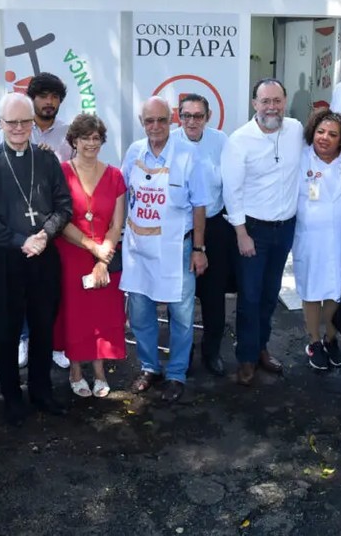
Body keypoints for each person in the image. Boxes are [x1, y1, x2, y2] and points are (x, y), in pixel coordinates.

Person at [0, 93, 73, 426]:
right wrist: (21, 241)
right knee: (5, 332)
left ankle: (42, 392)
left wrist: (45, 234)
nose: (18, 128)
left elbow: (63, 206)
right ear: (0, 123)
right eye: (11, 122)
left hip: (43, 259)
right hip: (3, 262)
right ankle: (12, 398)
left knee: (44, 328)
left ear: (33, 124)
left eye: (24, 122)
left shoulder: (47, 160)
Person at [121, 98, 209, 403]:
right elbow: (121, 192)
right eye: (149, 121)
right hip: (138, 247)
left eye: (161, 120)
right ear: (142, 122)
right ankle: (149, 366)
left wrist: (199, 248)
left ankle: (176, 373)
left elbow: (200, 205)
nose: (155, 127)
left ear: (171, 120)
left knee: (181, 315)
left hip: (178, 247)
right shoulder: (134, 152)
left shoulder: (188, 155)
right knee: (141, 311)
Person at [222, 78, 303, 385]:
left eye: (277, 100)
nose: (272, 107)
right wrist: (241, 233)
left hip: (285, 229)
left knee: (270, 295)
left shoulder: (296, 130)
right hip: (252, 230)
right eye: (265, 101)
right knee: (250, 297)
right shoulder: (239, 140)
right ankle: (245, 357)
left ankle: (261, 349)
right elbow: (232, 191)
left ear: (285, 102)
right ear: (254, 104)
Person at [0, 73, 72, 371]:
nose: (49, 102)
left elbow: (80, 168)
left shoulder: (68, 133)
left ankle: (54, 343)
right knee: (21, 286)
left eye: (55, 97)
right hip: (19, 223)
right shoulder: (13, 129)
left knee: (51, 287)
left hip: (56, 220)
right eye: (44, 96)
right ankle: (23, 338)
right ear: (32, 99)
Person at [56, 115, 126, 398]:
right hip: (71, 254)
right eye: (85, 137)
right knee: (74, 315)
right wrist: (92, 248)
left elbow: (117, 224)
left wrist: (102, 257)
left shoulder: (115, 175)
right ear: (74, 140)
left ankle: (98, 371)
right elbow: (60, 220)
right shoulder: (61, 172)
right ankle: (75, 369)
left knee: (103, 315)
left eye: (96, 138)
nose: (91, 143)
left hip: (106, 255)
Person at [172, 93, 234, 376]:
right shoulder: (170, 142)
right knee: (181, 298)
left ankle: (211, 352)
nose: (192, 121)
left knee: (213, 296)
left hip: (215, 226)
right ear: (179, 116)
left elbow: (232, 182)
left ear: (208, 117)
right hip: (181, 230)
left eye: (198, 116)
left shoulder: (221, 141)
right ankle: (182, 355)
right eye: (187, 115)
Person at [294, 110, 341, 370]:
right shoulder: (300, 157)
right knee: (311, 290)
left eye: (332, 134)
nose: (325, 138)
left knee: (335, 290)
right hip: (309, 238)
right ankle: (314, 341)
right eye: (321, 132)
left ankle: (331, 339)